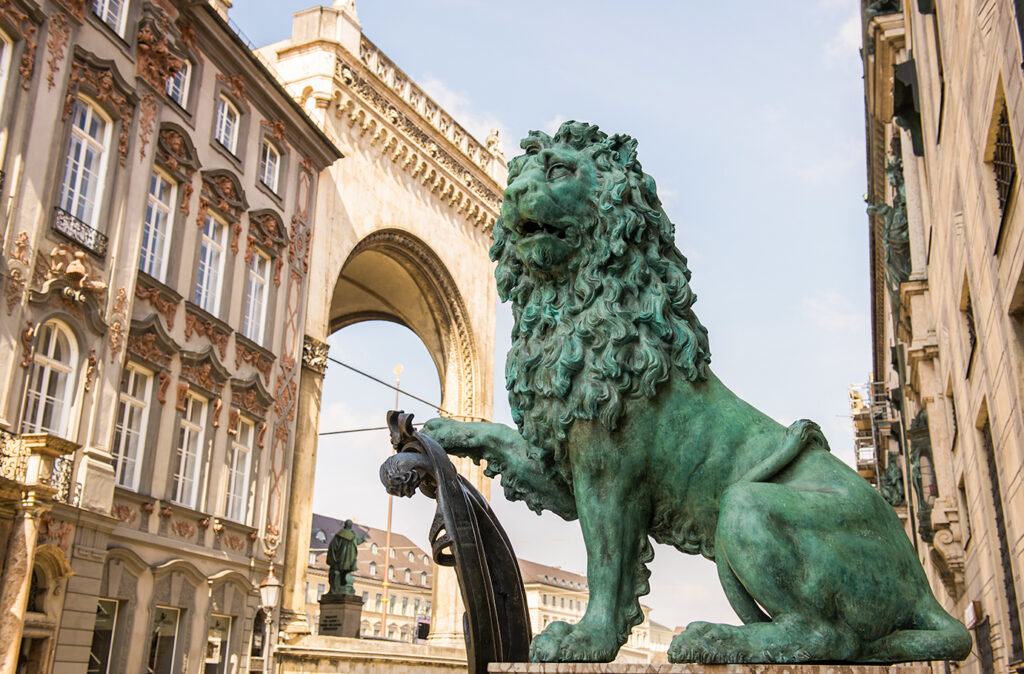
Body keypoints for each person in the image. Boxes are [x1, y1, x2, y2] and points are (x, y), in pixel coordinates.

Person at [326, 519, 367, 595]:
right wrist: (363, 538)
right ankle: (343, 587)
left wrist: (332, 558)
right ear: (351, 526)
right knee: (344, 573)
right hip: (349, 560)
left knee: (337, 573)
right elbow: (358, 541)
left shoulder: (339, 535)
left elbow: (333, 546)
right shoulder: (353, 535)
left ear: (345, 525)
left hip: (340, 559)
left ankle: (339, 588)